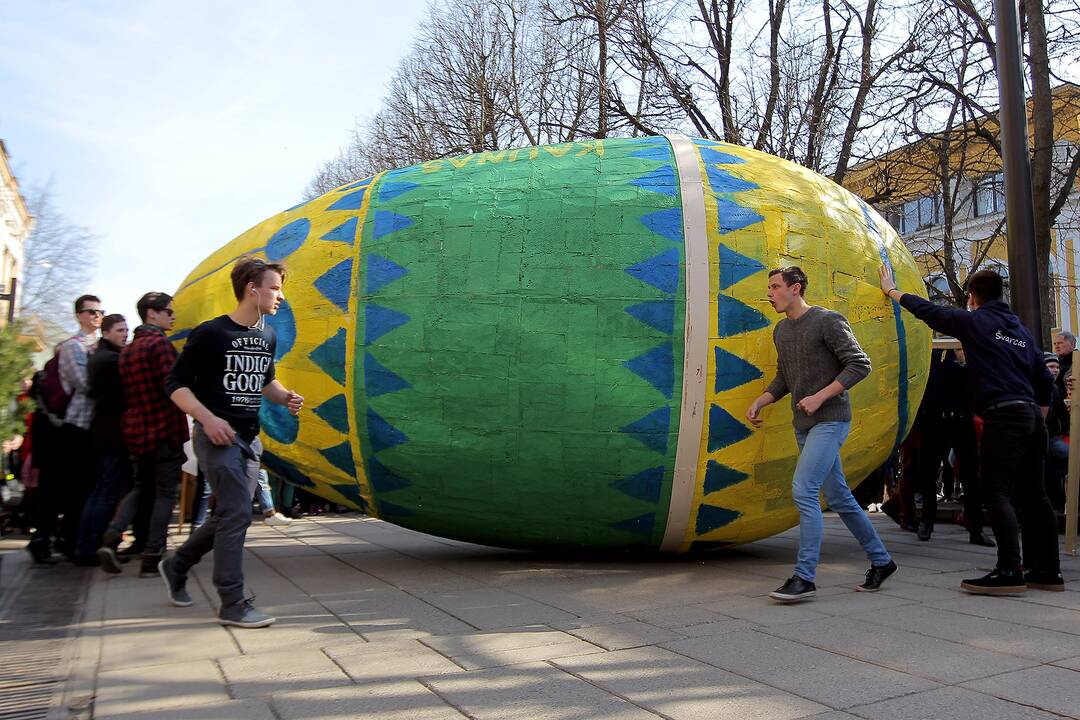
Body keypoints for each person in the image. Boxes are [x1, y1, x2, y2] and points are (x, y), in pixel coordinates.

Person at [880, 265, 1062, 594]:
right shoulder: (1020, 331)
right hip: (1031, 417)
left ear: (973, 298)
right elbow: (1045, 378)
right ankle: (1047, 572)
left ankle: (1009, 570)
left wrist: (893, 291)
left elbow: (929, 311)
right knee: (1036, 495)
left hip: (1003, 415)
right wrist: (1039, 413)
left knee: (994, 491)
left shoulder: (976, 322)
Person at [158, 257, 304, 628]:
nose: (280, 297)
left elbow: (264, 381)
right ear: (252, 289)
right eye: (274, 288)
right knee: (238, 513)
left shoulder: (266, 336)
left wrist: (285, 396)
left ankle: (177, 564)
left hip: (249, 440)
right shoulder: (211, 333)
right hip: (214, 436)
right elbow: (175, 384)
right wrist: (207, 418)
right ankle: (232, 601)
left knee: (228, 514)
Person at [747, 267, 896, 603]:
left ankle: (805, 576)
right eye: (768, 287)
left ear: (795, 288)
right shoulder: (781, 330)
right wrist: (762, 400)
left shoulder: (828, 321)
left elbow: (859, 364)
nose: (769, 293)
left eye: (775, 286)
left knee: (804, 489)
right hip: (803, 425)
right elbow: (784, 378)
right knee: (840, 497)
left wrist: (820, 396)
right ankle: (882, 561)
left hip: (831, 420)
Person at [98, 292, 190, 576]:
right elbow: (173, 386)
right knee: (164, 493)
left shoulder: (128, 350)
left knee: (139, 488)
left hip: (137, 430)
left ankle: (112, 535)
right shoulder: (159, 346)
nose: (173, 316)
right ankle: (153, 554)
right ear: (152, 313)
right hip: (164, 429)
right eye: (168, 311)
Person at [26, 294, 102, 562]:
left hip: (87, 427)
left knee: (78, 488)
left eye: (99, 311)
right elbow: (84, 384)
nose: (96, 315)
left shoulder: (95, 346)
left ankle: (66, 539)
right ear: (79, 315)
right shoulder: (73, 347)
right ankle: (42, 540)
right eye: (91, 311)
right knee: (56, 486)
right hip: (70, 426)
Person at [905, 349, 994, 545]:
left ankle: (975, 528)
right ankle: (927, 521)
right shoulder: (932, 350)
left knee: (970, 475)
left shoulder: (966, 349)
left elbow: (978, 383)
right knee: (928, 472)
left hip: (962, 420)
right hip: (934, 420)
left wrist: (964, 360)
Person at [74, 314, 131, 565]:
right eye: (120, 330)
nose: (125, 334)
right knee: (107, 491)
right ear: (106, 333)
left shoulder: (102, 357)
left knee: (101, 490)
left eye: (126, 330)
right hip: (112, 433)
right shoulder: (110, 360)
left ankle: (86, 545)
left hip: (103, 431)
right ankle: (92, 545)